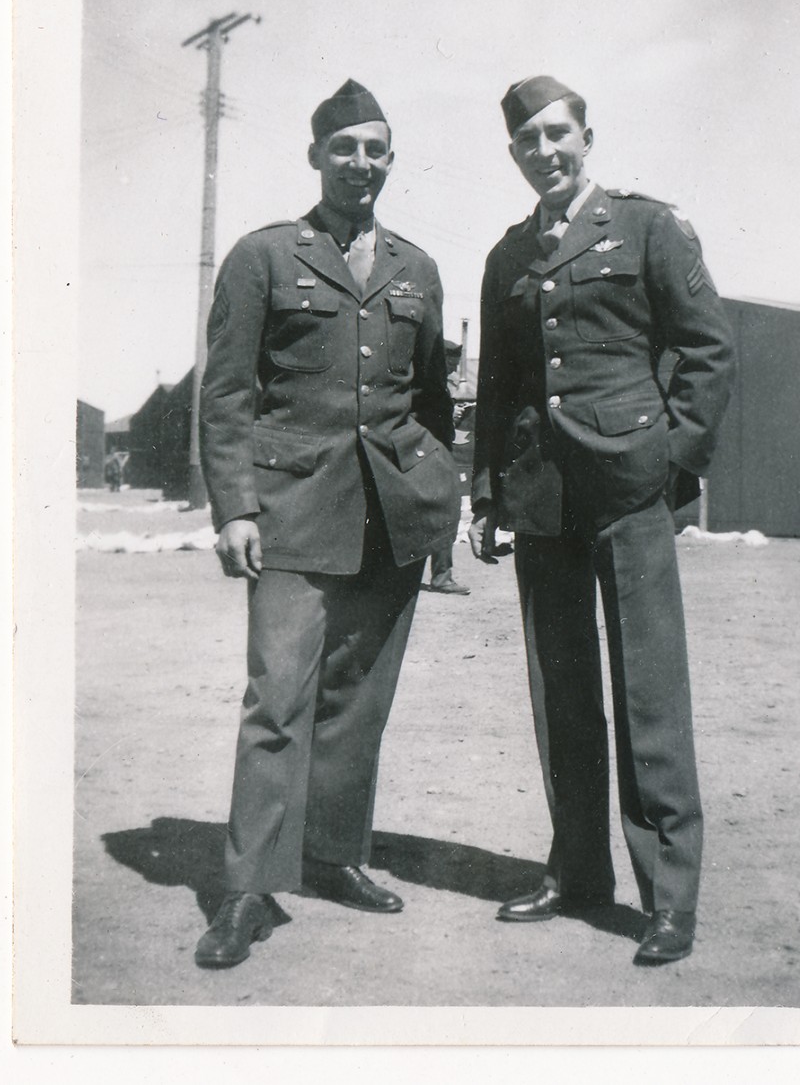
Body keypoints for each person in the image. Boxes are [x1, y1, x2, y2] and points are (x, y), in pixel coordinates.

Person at [469, 75, 734, 966]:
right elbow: (499, 384)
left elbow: (707, 348)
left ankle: (668, 896)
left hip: (629, 490)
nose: (544, 151)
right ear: (514, 154)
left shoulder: (648, 227)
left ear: (587, 138)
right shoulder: (508, 255)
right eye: (528, 141)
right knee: (563, 693)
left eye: (558, 134)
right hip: (542, 496)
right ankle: (578, 869)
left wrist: (675, 459)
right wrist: (487, 493)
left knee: (649, 693)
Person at [195, 79, 460, 969]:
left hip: (390, 516)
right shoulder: (265, 256)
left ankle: (334, 852)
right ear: (316, 156)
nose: (360, 163)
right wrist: (235, 506)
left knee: (358, 701)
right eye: (344, 147)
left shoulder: (416, 269)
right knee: (278, 699)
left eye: (375, 149)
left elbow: (430, 402)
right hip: (292, 513)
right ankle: (248, 887)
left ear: (391, 161)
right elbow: (226, 393)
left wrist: (434, 503)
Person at [427, 341, 472, 596]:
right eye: (450, 364)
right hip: (427, 458)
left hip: (440, 456)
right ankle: (441, 577)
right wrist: (448, 415)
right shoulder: (428, 384)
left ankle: (442, 575)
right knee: (444, 514)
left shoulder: (443, 385)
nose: (454, 370)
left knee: (447, 514)